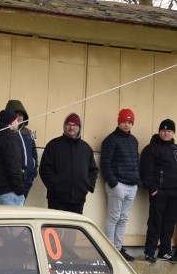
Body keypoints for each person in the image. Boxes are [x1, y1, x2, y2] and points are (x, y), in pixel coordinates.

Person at [39, 113, 98, 214]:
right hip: (57, 198)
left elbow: (93, 170)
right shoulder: (53, 145)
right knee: (54, 228)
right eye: (68, 124)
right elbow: (44, 168)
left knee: (73, 229)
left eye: (75, 125)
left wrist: (87, 186)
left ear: (79, 127)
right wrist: (54, 185)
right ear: (64, 126)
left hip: (78, 199)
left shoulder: (86, 148)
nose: (71, 127)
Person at [101, 109, 140, 261]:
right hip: (117, 185)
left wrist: (137, 182)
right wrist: (113, 183)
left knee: (123, 218)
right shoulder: (110, 140)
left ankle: (118, 248)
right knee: (114, 217)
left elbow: (136, 162)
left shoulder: (134, 140)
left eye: (130, 122)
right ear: (119, 122)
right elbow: (106, 163)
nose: (127, 125)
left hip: (132, 185)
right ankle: (110, 249)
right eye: (124, 121)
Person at [139, 119, 177, 263]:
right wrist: (153, 189)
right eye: (163, 130)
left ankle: (165, 251)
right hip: (159, 193)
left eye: (169, 131)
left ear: (173, 133)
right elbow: (146, 171)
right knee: (155, 222)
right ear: (159, 131)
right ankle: (150, 251)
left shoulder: (175, 149)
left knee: (169, 224)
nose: (166, 133)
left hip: (174, 194)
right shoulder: (151, 149)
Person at [4, 99, 39, 199]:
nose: (19, 118)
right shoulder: (6, 132)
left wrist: (33, 173)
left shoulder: (29, 132)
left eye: (20, 115)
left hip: (27, 180)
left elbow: (34, 154)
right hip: (11, 181)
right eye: (16, 115)